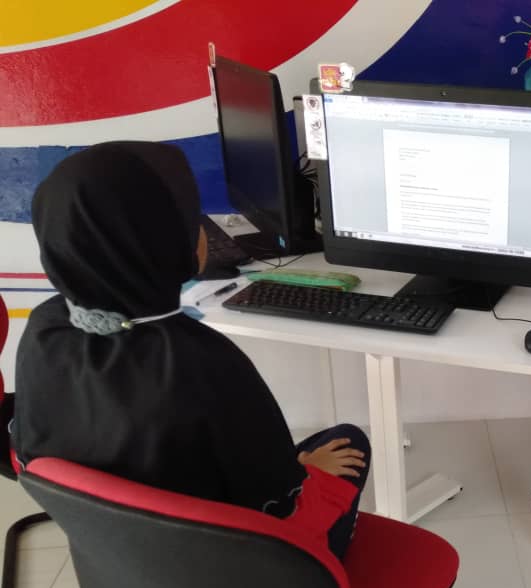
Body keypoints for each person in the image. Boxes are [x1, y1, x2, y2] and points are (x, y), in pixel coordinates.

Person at [12, 141, 370, 558]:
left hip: (125, 562)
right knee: (349, 441)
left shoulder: (45, 329)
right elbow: (280, 506)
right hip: (255, 573)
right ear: (164, 245)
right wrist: (302, 476)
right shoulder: (203, 363)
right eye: (190, 219)